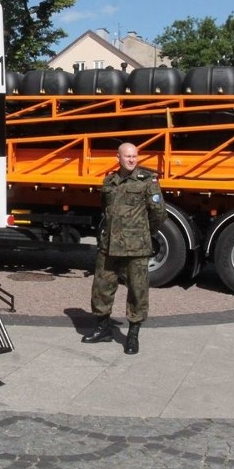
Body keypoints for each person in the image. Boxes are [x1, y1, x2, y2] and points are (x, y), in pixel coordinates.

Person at [81, 142, 167, 354]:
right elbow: (105, 209)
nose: (131, 160)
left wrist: (142, 234)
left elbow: (159, 213)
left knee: (138, 291)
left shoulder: (147, 181)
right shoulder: (110, 181)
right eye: (127, 156)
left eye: (134, 156)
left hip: (135, 248)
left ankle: (132, 335)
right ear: (118, 157)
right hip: (109, 245)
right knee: (101, 288)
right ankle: (103, 328)